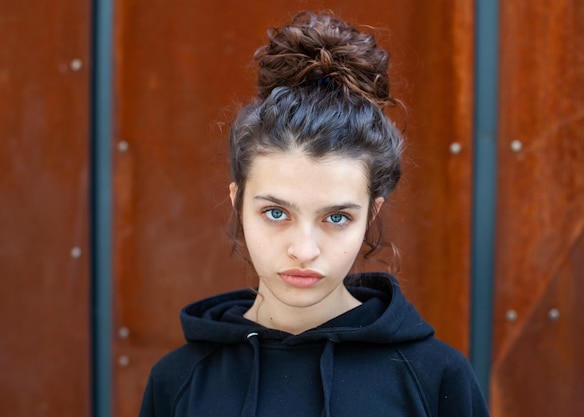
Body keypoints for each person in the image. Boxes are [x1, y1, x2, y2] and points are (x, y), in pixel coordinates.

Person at [138, 10, 490, 417]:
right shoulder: (179, 382)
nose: (304, 250)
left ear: (371, 215)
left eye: (336, 218)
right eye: (275, 213)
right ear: (237, 202)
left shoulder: (436, 379)